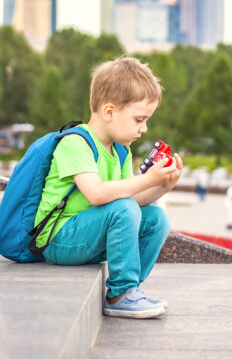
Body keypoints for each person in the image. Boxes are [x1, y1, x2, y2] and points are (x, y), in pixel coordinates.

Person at [33, 56, 182, 319]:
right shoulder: (76, 142)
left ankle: (131, 288)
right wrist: (148, 179)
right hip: (59, 239)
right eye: (139, 119)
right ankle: (119, 293)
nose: (144, 129)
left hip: (88, 235)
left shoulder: (120, 151)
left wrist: (163, 185)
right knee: (122, 208)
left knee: (157, 218)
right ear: (110, 112)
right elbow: (97, 194)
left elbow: (132, 200)